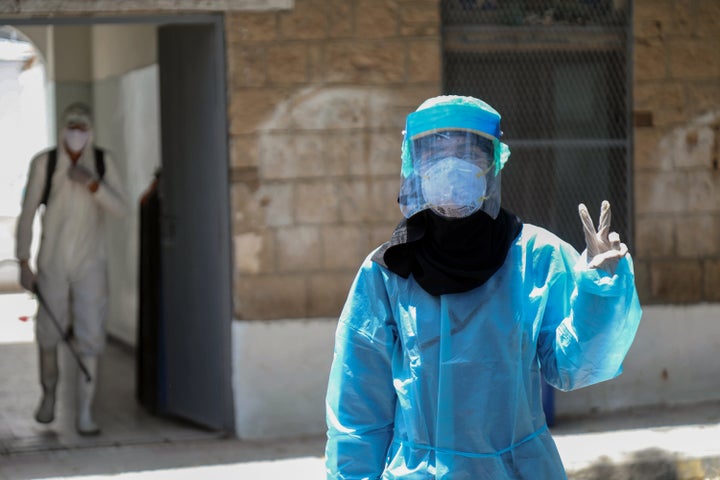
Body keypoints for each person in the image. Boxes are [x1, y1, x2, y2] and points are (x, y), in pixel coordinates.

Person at [324, 95, 642, 478]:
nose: (450, 165)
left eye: (466, 152)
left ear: (492, 162)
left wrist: (601, 290)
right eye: (435, 152)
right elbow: (357, 413)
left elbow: (575, 367)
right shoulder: (388, 270)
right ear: (415, 165)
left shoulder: (534, 256)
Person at [16, 102, 128, 435]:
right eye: (71, 127)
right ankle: (49, 394)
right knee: (48, 334)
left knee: (91, 335)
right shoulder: (45, 163)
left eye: (82, 128)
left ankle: (85, 413)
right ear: (63, 129)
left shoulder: (103, 163)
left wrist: (93, 185)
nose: (76, 134)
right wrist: (23, 260)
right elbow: (27, 213)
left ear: (90, 131)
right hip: (52, 264)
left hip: (90, 264)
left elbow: (121, 209)